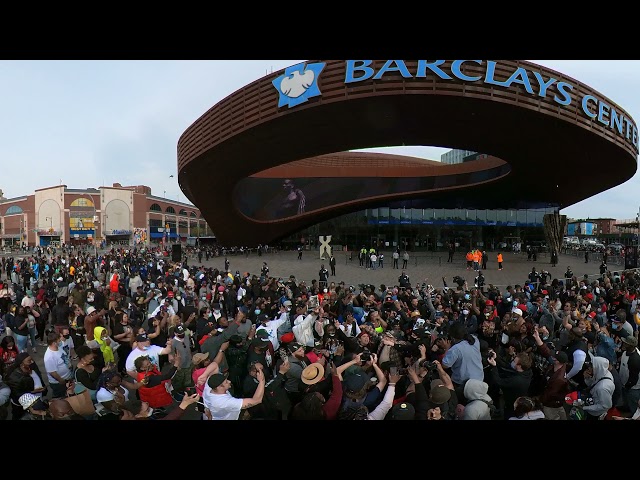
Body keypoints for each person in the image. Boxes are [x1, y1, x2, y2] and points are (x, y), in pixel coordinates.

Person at [5, 352, 47, 420]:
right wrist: (33, 391)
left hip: (37, 399)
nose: (32, 362)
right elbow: (17, 394)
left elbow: (39, 377)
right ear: (22, 364)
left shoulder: (32, 367)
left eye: (32, 359)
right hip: (22, 405)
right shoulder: (15, 378)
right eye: (29, 361)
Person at [43, 331, 73, 399]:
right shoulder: (49, 357)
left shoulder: (58, 348)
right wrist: (61, 381)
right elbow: (52, 372)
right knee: (61, 398)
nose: (60, 341)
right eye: (59, 340)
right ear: (54, 343)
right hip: (59, 383)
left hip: (67, 378)